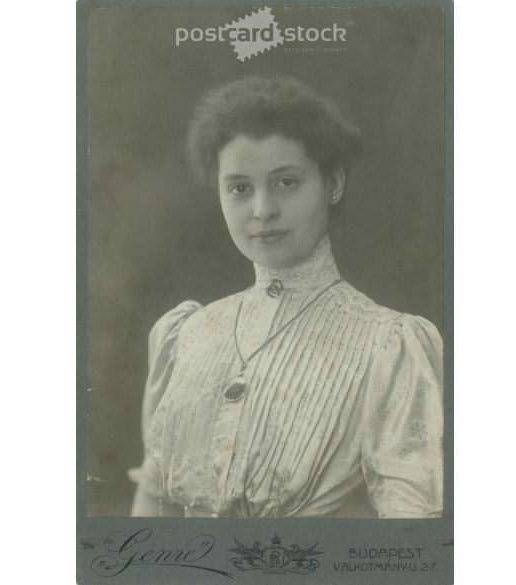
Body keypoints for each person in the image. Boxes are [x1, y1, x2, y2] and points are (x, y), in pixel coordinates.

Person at [129, 75, 443, 518]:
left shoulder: (387, 345)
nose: (262, 210)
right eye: (239, 188)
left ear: (332, 183)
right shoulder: (186, 334)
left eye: (286, 182)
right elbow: (152, 499)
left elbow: (410, 537)